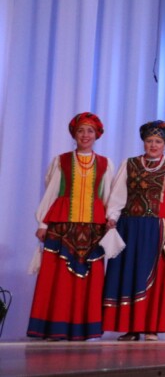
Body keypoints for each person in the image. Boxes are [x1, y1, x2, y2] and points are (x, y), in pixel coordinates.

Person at [103, 120, 165, 341]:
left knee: (158, 277)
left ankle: (152, 327)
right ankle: (132, 327)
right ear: (143, 142)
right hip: (131, 228)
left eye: (158, 141)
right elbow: (118, 194)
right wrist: (112, 216)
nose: (153, 145)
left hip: (161, 229)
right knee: (132, 275)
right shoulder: (130, 164)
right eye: (149, 141)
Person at [27, 112, 113, 340]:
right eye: (80, 131)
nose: (85, 135)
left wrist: (110, 221)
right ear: (74, 134)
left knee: (89, 281)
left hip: (93, 228)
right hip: (62, 226)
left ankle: (84, 329)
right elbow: (52, 192)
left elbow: (107, 196)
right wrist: (43, 222)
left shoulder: (105, 164)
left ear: (97, 135)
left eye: (90, 131)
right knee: (58, 279)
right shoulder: (61, 161)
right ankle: (54, 328)